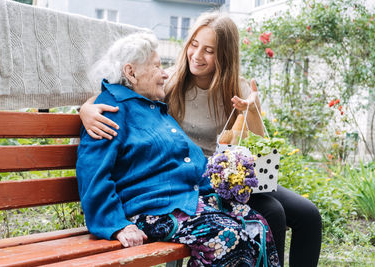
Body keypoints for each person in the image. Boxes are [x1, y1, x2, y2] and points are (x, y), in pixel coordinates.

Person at [79, 12, 322, 267]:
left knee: (265, 223)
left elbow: (258, 140)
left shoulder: (230, 88)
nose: (196, 55)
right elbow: (110, 96)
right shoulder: (162, 87)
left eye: (209, 50)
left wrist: (253, 110)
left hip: (208, 184)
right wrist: (86, 109)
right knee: (235, 233)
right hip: (168, 201)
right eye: (194, 45)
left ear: (223, 56)